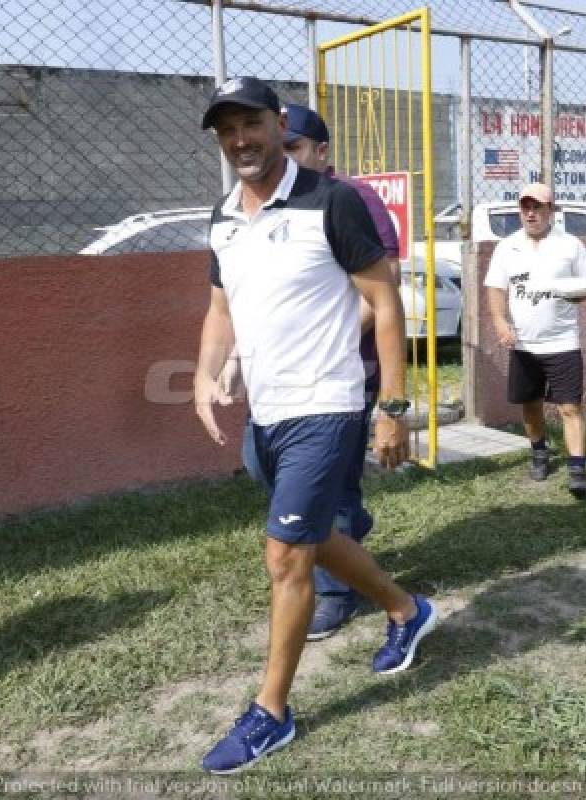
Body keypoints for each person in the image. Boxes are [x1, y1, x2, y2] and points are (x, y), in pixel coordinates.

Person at [193, 77, 438, 773]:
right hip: (267, 409)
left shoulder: (332, 203)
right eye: (226, 130)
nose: (241, 140)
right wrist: (205, 375)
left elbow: (385, 304)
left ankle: (271, 713)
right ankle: (404, 609)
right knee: (317, 535)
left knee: (286, 555)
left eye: (251, 124)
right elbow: (220, 309)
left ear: (277, 123)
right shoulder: (223, 218)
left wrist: (393, 409)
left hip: (328, 404)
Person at [230, 103, 401, 642]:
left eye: (295, 146)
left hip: (341, 373)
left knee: (332, 489)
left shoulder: (351, 201)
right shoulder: (261, 209)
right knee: (267, 470)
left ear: (320, 152)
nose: (284, 157)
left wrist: (323, 344)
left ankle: (332, 592)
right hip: (280, 385)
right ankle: (342, 539)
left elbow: (382, 289)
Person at [484, 182, 586, 497]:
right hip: (524, 346)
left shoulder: (571, 246)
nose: (531, 213)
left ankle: (577, 468)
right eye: (525, 207)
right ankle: (540, 453)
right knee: (530, 405)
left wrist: (574, 295)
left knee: (569, 407)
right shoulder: (507, 247)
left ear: (551, 211)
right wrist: (500, 321)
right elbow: (496, 288)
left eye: (538, 207)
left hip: (563, 343)